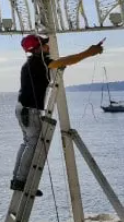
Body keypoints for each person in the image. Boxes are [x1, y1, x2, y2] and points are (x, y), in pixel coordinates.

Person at [12, 34, 103, 193]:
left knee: (27, 142)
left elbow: (59, 63)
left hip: (23, 108)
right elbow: (65, 61)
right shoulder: (39, 62)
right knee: (32, 143)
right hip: (30, 111)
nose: (48, 46)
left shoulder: (31, 63)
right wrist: (89, 52)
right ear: (37, 48)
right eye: (45, 44)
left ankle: (18, 179)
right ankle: (20, 180)